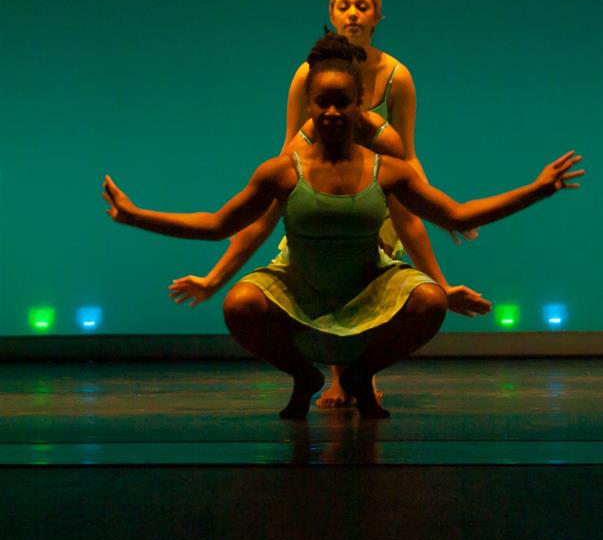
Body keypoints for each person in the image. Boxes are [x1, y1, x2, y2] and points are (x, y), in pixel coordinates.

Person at [102, 35, 583, 420]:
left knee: (430, 301)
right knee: (240, 304)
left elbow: (457, 215)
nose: (332, 113)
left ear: (360, 106)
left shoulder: (388, 169)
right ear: (310, 104)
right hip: (302, 286)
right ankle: (307, 378)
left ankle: (358, 376)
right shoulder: (283, 169)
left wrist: (538, 188)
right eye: (322, 103)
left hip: (367, 285)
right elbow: (218, 225)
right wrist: (135, 215)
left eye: (343, 103)